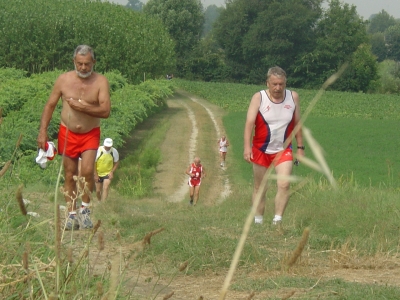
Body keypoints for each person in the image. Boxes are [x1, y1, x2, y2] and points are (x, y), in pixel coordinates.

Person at [37, 45, 111, 230]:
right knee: (70, 174)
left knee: (86, 172)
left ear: (93, 62)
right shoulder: (63, 80)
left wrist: (83, 107)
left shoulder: (100, 81)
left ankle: (85, 210)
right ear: (74, 62)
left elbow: (106, 111)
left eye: (87, 64)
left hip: (90, 133)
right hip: (67, 132)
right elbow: (50, 105)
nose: (84, 68)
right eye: (80, 64)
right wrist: (43, 131)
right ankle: (71, 214)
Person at [243, 66, 304, 226]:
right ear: (267, 83)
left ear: (285, 83)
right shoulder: (259, 98)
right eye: (274, 84)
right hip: (260, 150)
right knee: (260, 187)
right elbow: (249, 124)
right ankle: (258, 220)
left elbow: (297, 123)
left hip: (284, 150)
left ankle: (277, 221)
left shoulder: (293, 97)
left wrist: (300, 147)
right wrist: (247, 147)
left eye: (281, 84)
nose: (278, 88)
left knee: (284, 184)